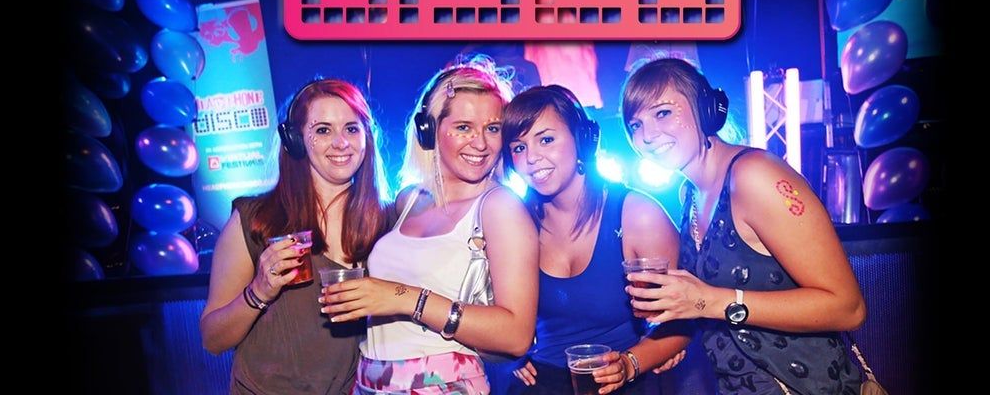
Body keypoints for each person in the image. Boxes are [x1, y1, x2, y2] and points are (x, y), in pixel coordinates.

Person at [621, 58, 866, 395]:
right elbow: (706, 306)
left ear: (706, 109)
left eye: (662, 113)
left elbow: (848, 308)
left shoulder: (755, 175)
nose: (647, 135)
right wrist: (661, 344)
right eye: (635, 124)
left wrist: (709, 301)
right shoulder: (689, 194)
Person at [323, 56, 539, 394]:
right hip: (371, 379)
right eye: (464, 127)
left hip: (441, 383)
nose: (481, 143)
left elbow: (516, 335)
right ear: (429, 131)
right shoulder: (409, 199)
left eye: (493, 128)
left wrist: (402, 298)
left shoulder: (500, 207)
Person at [500, 84, 698, 394]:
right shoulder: (513, 221)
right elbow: (492, 309)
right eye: (519, 148)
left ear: (582, 139)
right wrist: (503, 355)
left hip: (620, 382)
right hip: (537, 386)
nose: (532, 158)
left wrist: (629, 363)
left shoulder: (636, 214)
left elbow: (681, 320)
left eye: (546, 140)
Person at [201, 79, 391, 395]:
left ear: (367, 137)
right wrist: (259, 290)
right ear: (295, 140)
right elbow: (212, 339)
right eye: (323, 130)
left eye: (351, 129)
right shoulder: (256, 219)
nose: (341, 142)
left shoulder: (386, 222)